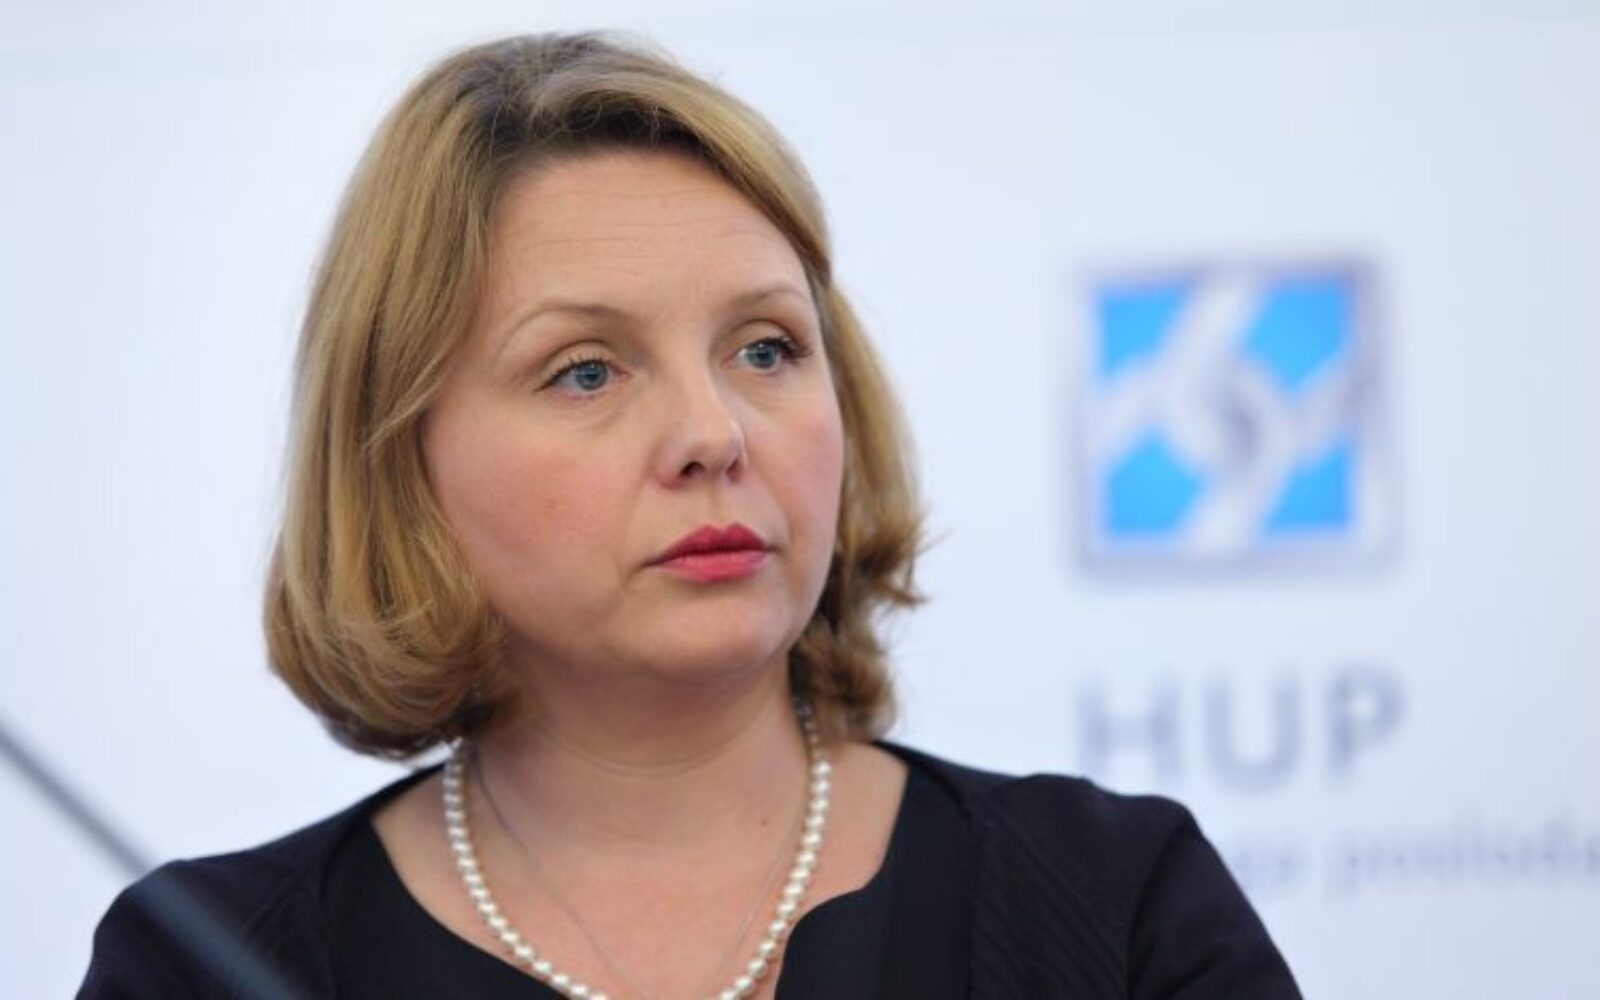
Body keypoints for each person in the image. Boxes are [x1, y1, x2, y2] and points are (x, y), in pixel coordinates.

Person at [80, 32, 1300, 1000]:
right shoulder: (207, 964)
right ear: (403, 462)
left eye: (765, 348)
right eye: (585, 371)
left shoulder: (1114, 901)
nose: (714, 434)